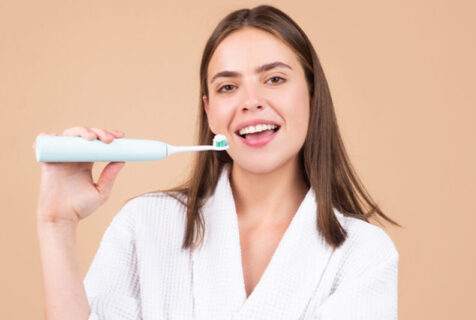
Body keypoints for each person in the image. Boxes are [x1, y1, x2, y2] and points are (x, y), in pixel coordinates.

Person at [35, 5, 401, 320]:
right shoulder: (144, 225)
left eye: (274, 79)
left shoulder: (364, 253)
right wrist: (57, 224)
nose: (251, 101)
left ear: (311, 94)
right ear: (210, 112)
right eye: (228, 87)